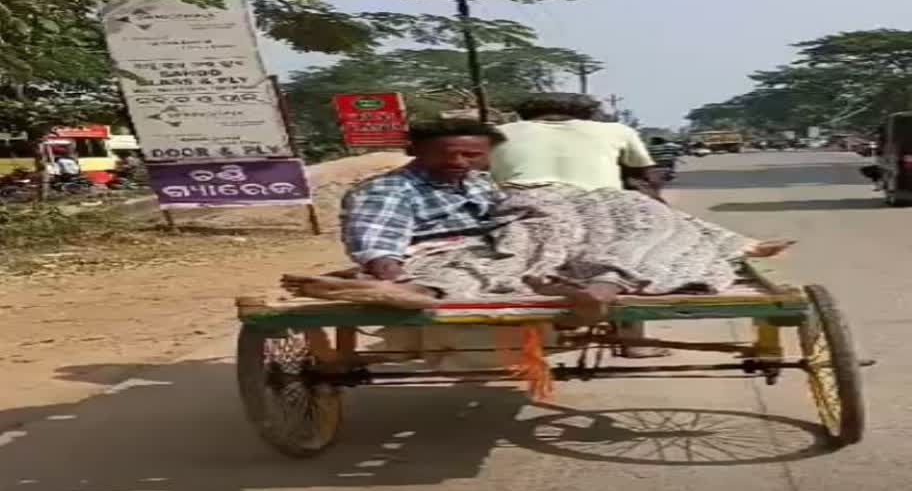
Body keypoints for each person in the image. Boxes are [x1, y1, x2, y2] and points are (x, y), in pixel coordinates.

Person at [284, 119, 793, 325]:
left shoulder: (476, 184)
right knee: (548, 226)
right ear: (413, 151)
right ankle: (423, 292)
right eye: (450, 154)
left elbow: (509, 206)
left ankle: (716, 245)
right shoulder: (389, 189)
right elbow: (376, 237)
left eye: (473, 155)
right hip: (451, 253)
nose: (462, 162)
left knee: (634, 211)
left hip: (504, 233)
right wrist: (388, 273)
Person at [489, 93, 658, 192]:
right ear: (590, 114)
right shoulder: (619, 130)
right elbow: (643, 177)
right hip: (600, 204)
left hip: (517, 203)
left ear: (523, 115)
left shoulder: (498, 132)